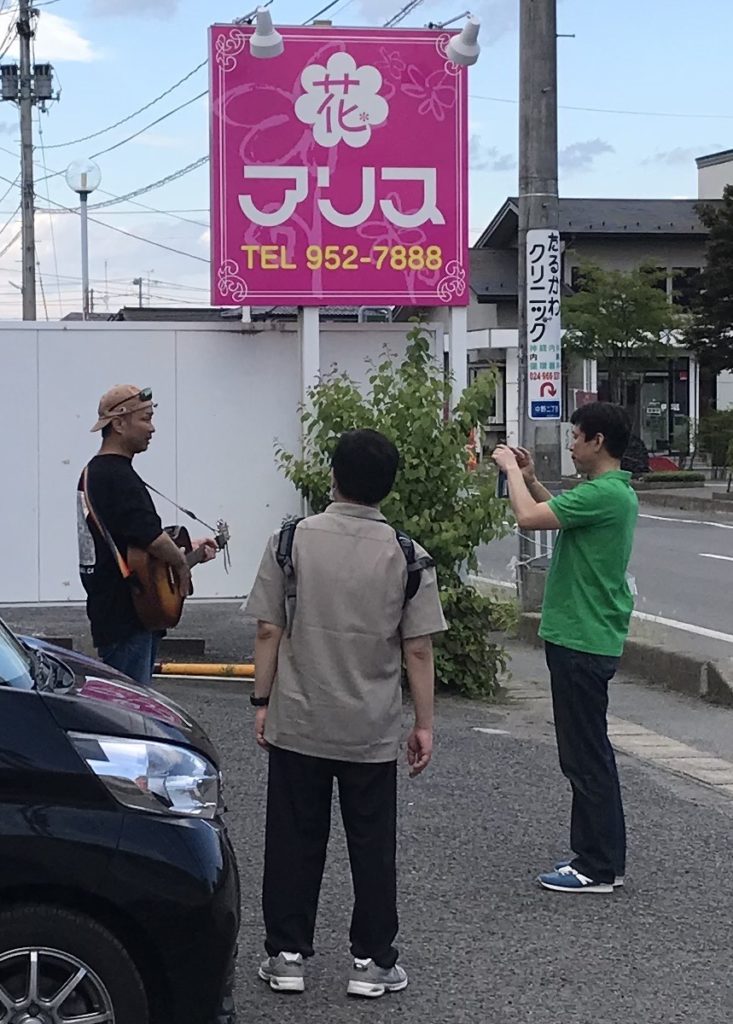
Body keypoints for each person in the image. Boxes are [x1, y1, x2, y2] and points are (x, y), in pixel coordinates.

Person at [245, 428, 446, 998]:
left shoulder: (291, 540)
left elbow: (267, 628)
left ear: (333, 476)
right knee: (372, 845)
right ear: (387, 487)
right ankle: (372, 961)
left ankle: (286, 956)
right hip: (371, 725)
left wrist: (262, 702)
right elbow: (418, 648)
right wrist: (424, 723)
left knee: (293, 839)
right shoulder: (407, 554)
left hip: (301, 717)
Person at [492, 402, 638, 894]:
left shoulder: (605, 494)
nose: (571, 443)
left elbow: (530, 519)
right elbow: (551, 512)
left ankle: (595, 864)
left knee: (585, 756)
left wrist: (510, 470)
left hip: (581, 637)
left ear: (598, 442)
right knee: (589, 752)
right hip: (585, 636)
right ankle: (602, 859)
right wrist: (532, 477)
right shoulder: (609, 494)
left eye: (577, 435)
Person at [77, 384, 217, 685]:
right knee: (132, 714)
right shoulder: (116, 476)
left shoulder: (96, 472)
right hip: (128, 617)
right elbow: (150, 537)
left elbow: (135, 537)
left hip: (117, 613)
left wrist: (188, 547)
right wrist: (181, 566)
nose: (152, 429)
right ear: (118, 423)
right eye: (145, 419)